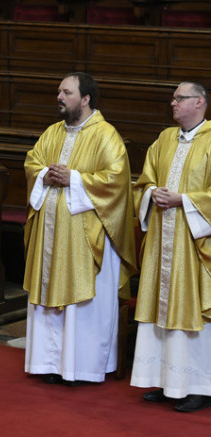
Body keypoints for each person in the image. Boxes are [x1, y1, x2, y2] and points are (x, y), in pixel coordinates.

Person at [23, 72, 136, 385]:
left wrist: (73, 178)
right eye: (59, 91)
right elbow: (32, 163)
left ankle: (80, 368)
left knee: (82, 305)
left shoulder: (106, 135)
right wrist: (44, 175)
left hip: (85, 238)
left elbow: (116, 181)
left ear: (86, 99)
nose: (59, 97)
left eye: (67, 92)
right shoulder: (52, 132)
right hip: (50, 234)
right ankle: (49, 363)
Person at [131, 81, 211, 412]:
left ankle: (200, 387)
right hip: (161, 240)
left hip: (195, 246)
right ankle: (165, 382)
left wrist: (184, 200)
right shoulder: (164, 139)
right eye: (173, 98)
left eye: (180, 98)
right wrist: (153, 194)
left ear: (200, 102)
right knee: (161, 308)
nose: (173, 103)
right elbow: (143, 183)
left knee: (191, 309)